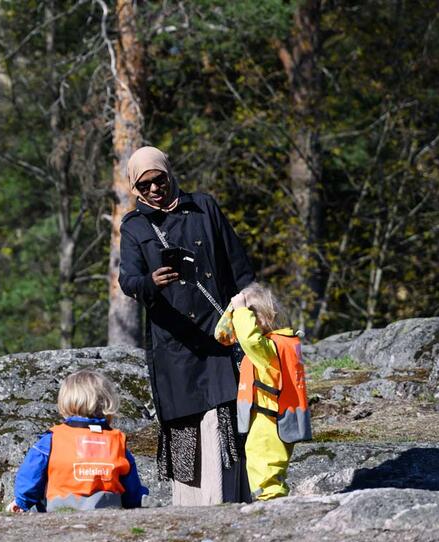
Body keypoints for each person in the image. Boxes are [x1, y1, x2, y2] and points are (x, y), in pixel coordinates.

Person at [118, 145, 255, 506]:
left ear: (169, 173)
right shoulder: (135, 226)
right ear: (135, 188)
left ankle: (231, 501)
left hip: (217, 331)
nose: (153, 190)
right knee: (186, 425)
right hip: (175, 340)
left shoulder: (204, 207)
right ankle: (190, 510)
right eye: (144, 186)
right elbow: (128, 280)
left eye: (158, 180)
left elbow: (237, 262)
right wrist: (152, 281)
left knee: (223, 417)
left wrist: (251, 306)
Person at [7, 370, 148, 512]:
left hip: (58, 507)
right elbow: (132, 489)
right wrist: (137, 500)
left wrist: (21, 502)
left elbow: (31, 474)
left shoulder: (52, 439)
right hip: (108, 507)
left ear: (66, 402)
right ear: (107, 403)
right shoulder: (117, 441)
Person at [224, 282, 311, 500]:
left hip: (270, 422)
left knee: (266, 469)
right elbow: (228, 335)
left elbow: (250, 341)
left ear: (266, 317)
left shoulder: (269, 349)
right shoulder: (282, 343)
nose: (246, 319)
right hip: (272, 419)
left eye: (251, 313)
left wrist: (242, 311)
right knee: (261, 465)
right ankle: (269, 501)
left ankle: (272, 505)